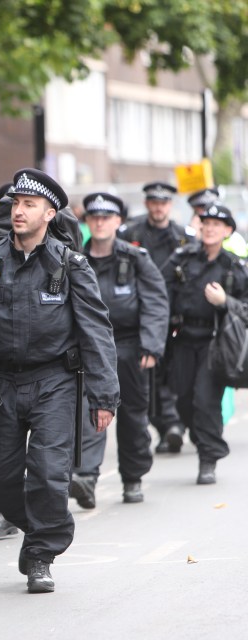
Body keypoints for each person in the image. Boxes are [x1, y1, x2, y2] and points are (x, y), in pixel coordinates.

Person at [0, 168, 119, 594]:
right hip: (1, 383)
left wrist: (104, 396)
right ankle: (41, 528)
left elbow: (96, 331)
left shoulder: (70, 265)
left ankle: (40, 554)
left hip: (54, 380)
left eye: (29, 205)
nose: (19, 211)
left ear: (49, 213)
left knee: (48, 473)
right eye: (15, 204)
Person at [71, 193, 169, 507]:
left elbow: (156, 303)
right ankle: (86, 478)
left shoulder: (136, 258)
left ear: (118, 222)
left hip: (129, 349)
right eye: (94, 217)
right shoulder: (73, 259)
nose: (100, 222)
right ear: (87, 221)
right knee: (90, 414)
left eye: (106, 217)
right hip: (89, 350)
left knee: (132, 418)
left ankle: (132, 478)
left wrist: (152, 345)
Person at [162, 203, 248, 484]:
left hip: (215, 345)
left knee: (205, 400)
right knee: (184, 399)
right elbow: (159, 291)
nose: (209, 228)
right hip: (184, 340)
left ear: (227, 231)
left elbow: (245, 308)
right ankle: (203, 439)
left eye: (216, 224)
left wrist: (226, 302)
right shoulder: (182, 259)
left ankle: (208, 458)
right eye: (205, 222)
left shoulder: (234, 266)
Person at [119, 181, 193, 453]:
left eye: (163, 203)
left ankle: (174, 425)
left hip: (176, 318)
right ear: (147, 204)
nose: (159, 208)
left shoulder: (184, 235)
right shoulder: (131, 232)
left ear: (170, 206)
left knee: (173, 375)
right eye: (154, 202)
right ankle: (167, 427)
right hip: (143, 318)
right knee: (150, 377)